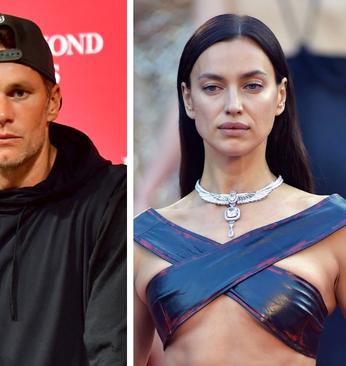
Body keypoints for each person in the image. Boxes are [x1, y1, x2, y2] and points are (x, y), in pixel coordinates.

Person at [134, 14, 346, 366]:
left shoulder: (332, 226)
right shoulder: (144, 238)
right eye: (212, 87)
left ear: (280, 97)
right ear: (188, 99)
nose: (233, 105)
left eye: (252, 86)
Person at [0, 12, 126, 366]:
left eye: (19, 92)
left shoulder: (111, 198)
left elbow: (112, 351)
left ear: (53, 101)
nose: (2, 113)